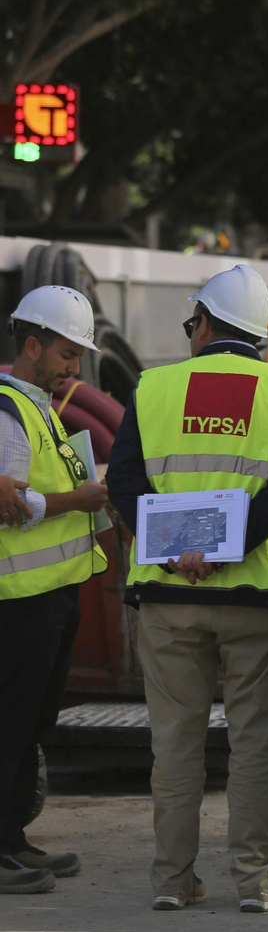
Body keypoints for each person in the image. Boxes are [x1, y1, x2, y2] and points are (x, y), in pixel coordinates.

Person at [106, 265, 268, 913]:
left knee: (174, 743)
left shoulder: (152, 388)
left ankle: (172, 880)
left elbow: (123, 483)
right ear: (260, 333)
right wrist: (225, 547)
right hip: (255, 594)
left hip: (167, 593)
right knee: (255, 743)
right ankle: (257, 880)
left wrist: (179, 550)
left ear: (202, 324)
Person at [0, 287, 110, 895]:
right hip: (21, 599)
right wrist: (80, 499)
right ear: (33, 346)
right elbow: (11, 506)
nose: (75, 367)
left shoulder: (37, 407)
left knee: (32, 722)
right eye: (67, 354)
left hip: (50, 594)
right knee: (11, 723)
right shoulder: (10, 412)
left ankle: (13, 838)